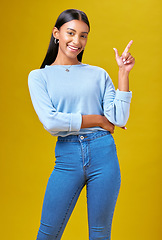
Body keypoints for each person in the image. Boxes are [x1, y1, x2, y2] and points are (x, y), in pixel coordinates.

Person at [28, 8, 135, 240]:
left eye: (83, 35)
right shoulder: (39, 77)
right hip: (67, 156)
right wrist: (97, 119)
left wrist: (123, 73)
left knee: (100, 234)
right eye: (70, 32)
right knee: (47, 234)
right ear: (56, 33)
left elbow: (118, 119)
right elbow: (51, 121)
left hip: (103, 154)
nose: (77, 41)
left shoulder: (98, 74)